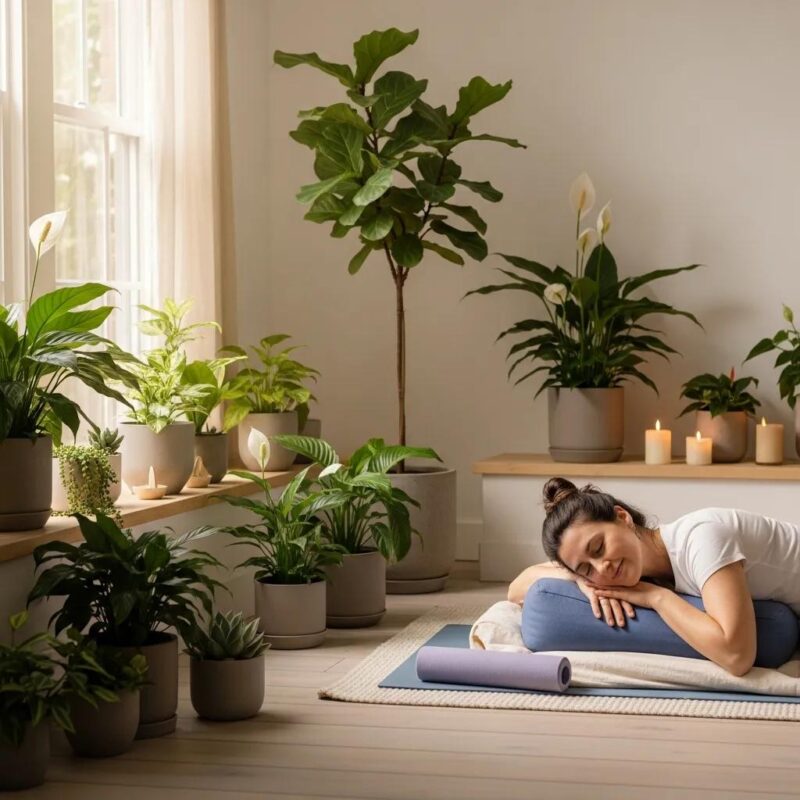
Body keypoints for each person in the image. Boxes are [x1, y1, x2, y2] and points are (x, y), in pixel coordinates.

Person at [507, 477, 800, 676]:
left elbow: (738, 657)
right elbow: (517, 589)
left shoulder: (702, 539)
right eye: (586, 567)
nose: (602, 568)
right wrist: (580, 580)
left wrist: (656, 597)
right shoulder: (615, 568)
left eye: (598, 548)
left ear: (622, 517)